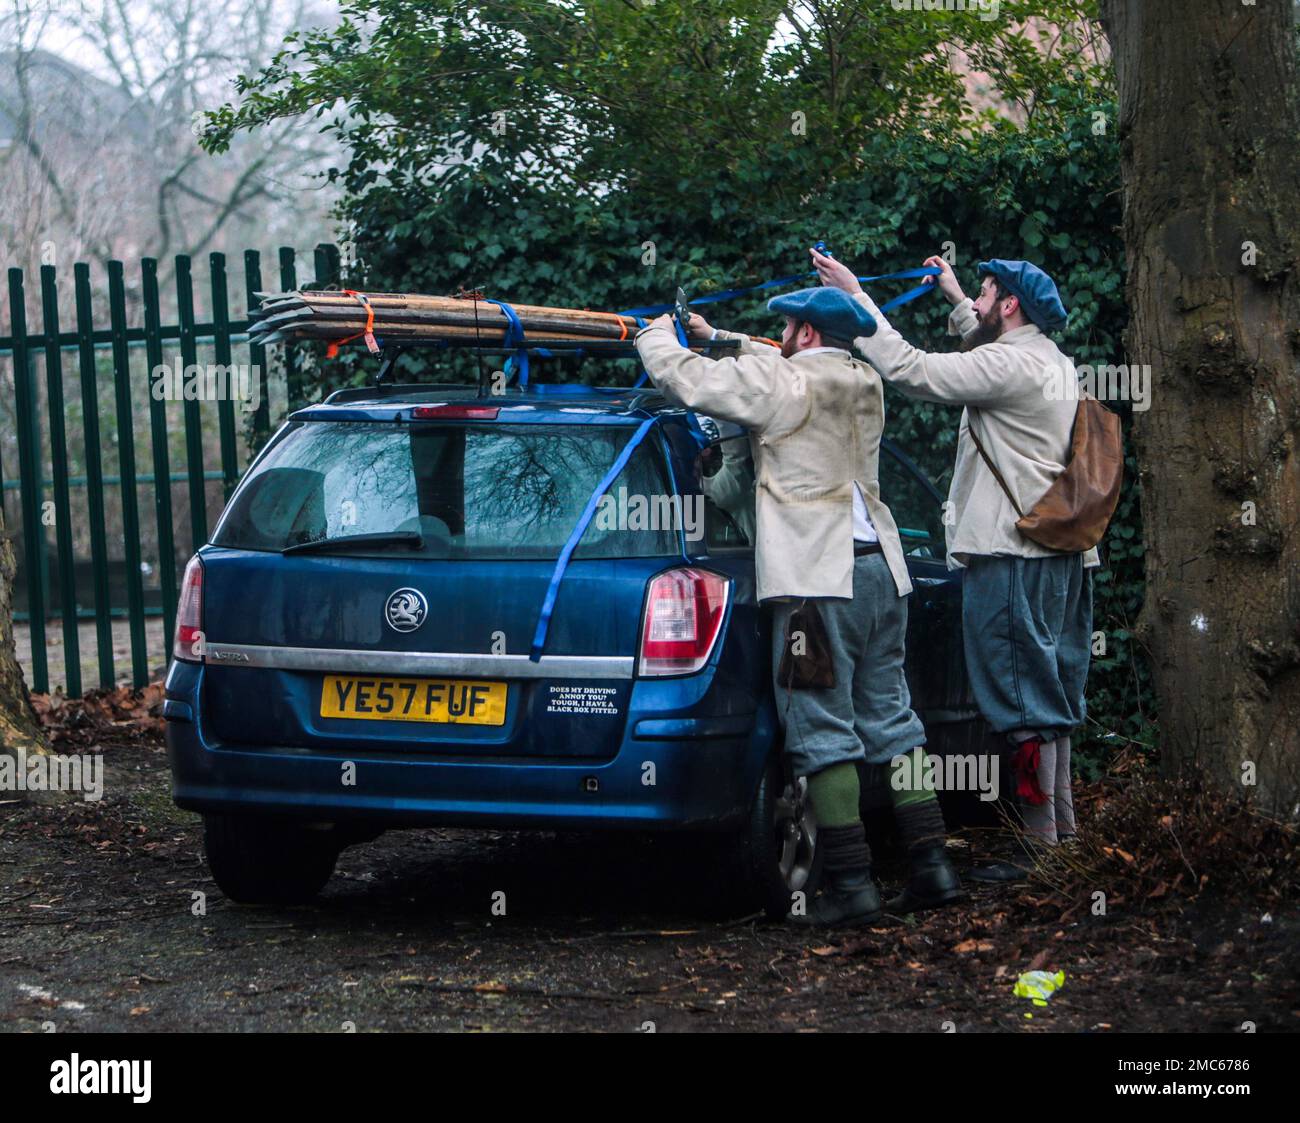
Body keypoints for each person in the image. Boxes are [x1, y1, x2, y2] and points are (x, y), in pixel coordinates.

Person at [634, 286, 963, 924]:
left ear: (806, 333)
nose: (779, 335)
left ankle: (853, 887)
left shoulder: (785, 384)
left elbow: (694, 384)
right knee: (893, 723)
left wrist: (656, 337)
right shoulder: (864, 380)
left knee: (819, 728)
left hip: (816, 579)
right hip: (881, 573)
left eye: (786, 327)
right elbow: (767, 365)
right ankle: (933, 868)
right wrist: (718, 335)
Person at [813, 248, 1097, 879]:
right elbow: (985, 343)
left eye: (988, 292)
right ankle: (1063, 839)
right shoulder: (1051, 361)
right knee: (1050, 700)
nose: (981, 302)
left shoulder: (1007, 363)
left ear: (1011, 305)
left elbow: (913, 370)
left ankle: (1041, 852)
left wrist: (858, 297)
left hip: (1011, 553)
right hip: (1061, 554)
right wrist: (956, 292)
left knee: (1021, 701)